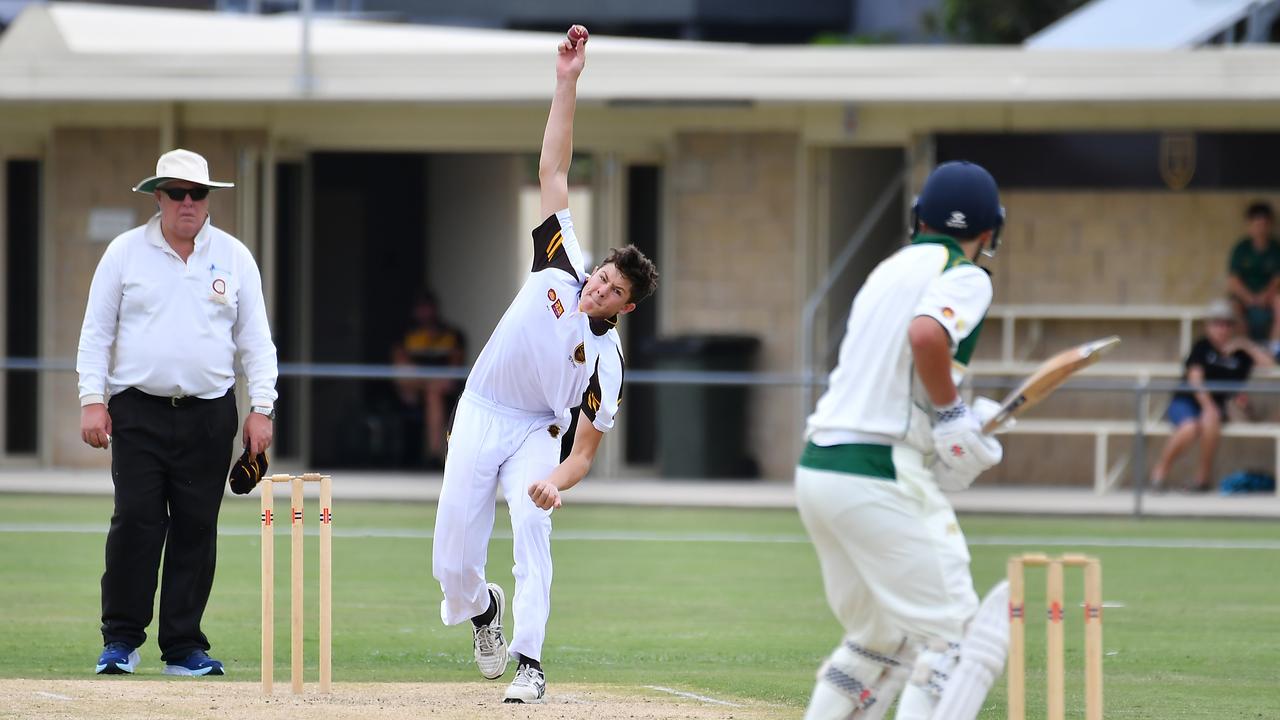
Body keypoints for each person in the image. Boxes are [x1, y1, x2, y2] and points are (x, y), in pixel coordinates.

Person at [430, 24, 658, 705]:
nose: (598, 289)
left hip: (536, 432)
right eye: (602, 278)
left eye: (614, 291)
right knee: (452, 563)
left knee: (532, 524)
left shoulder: (607, 362)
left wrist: (555, 483)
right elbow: (552, 170)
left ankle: (530, 660)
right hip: (480, 409)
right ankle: (482, 612)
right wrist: (567, 80)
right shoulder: (563, 262)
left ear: (627, 307)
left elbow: (584, 451)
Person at [795, 161, 1014, 720]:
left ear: (919, 218)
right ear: (989, 233)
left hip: (821, 466)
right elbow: (926, 334)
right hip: (875, 469)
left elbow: (898, 372)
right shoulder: (965, 274)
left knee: (879, 636)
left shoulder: (887, 270)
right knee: (960, 640)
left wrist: (947, 428)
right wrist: (951, 416)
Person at [76, 149, 278, 677]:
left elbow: (256, 340)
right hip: (136, 410)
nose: (188, 203)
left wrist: (262, 408)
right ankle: (120, 640)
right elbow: (97, 332)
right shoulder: (124, 253)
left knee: (196, 527)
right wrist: (91, 399)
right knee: (136, 521)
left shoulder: (234, 257)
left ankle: (184, 647)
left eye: (198, 193)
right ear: (158, 196)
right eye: (177, 192)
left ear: (209, 198)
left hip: (209, 414)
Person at [1150, 299, 1273, 493]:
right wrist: (1208, 406)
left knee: (1210, 418)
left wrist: (1245, 344)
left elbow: (1269, 365)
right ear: (1208, 326)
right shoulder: (1202, 346)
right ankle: (1159, 473)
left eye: (1227, 323)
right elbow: (1195, 380)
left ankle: (1202, 480)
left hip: (1216, 410)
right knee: (1191, 426)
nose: (1222, 328)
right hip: (1187, 401)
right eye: (1217, 323)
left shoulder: (1240, 355)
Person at [391, 290, 465, 468]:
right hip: (413, 387)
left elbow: (454, 369)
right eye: (421, 308)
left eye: (428, 307)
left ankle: (434, 457)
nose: (425, 312)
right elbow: (400, 365)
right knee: (417, 386)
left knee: (434, 394)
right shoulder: (405, 334)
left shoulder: (451, 334)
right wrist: (426, 380)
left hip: (442, 389)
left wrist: (433, 382)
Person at [1226, 201, 1280, 354]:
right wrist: (1249, 298)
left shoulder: (1275, 249)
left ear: (1269, 225)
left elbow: (1277, 280)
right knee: (1232, 305)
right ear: (1249, 224)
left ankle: (1275, 348)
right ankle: (1246, 348)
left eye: (1263, 224)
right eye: (1257, 224)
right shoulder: (1241, 248)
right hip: (1245, 298)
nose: (1260, 229)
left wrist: (1264, 296)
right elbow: (1233, 281)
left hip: (1268, 298)